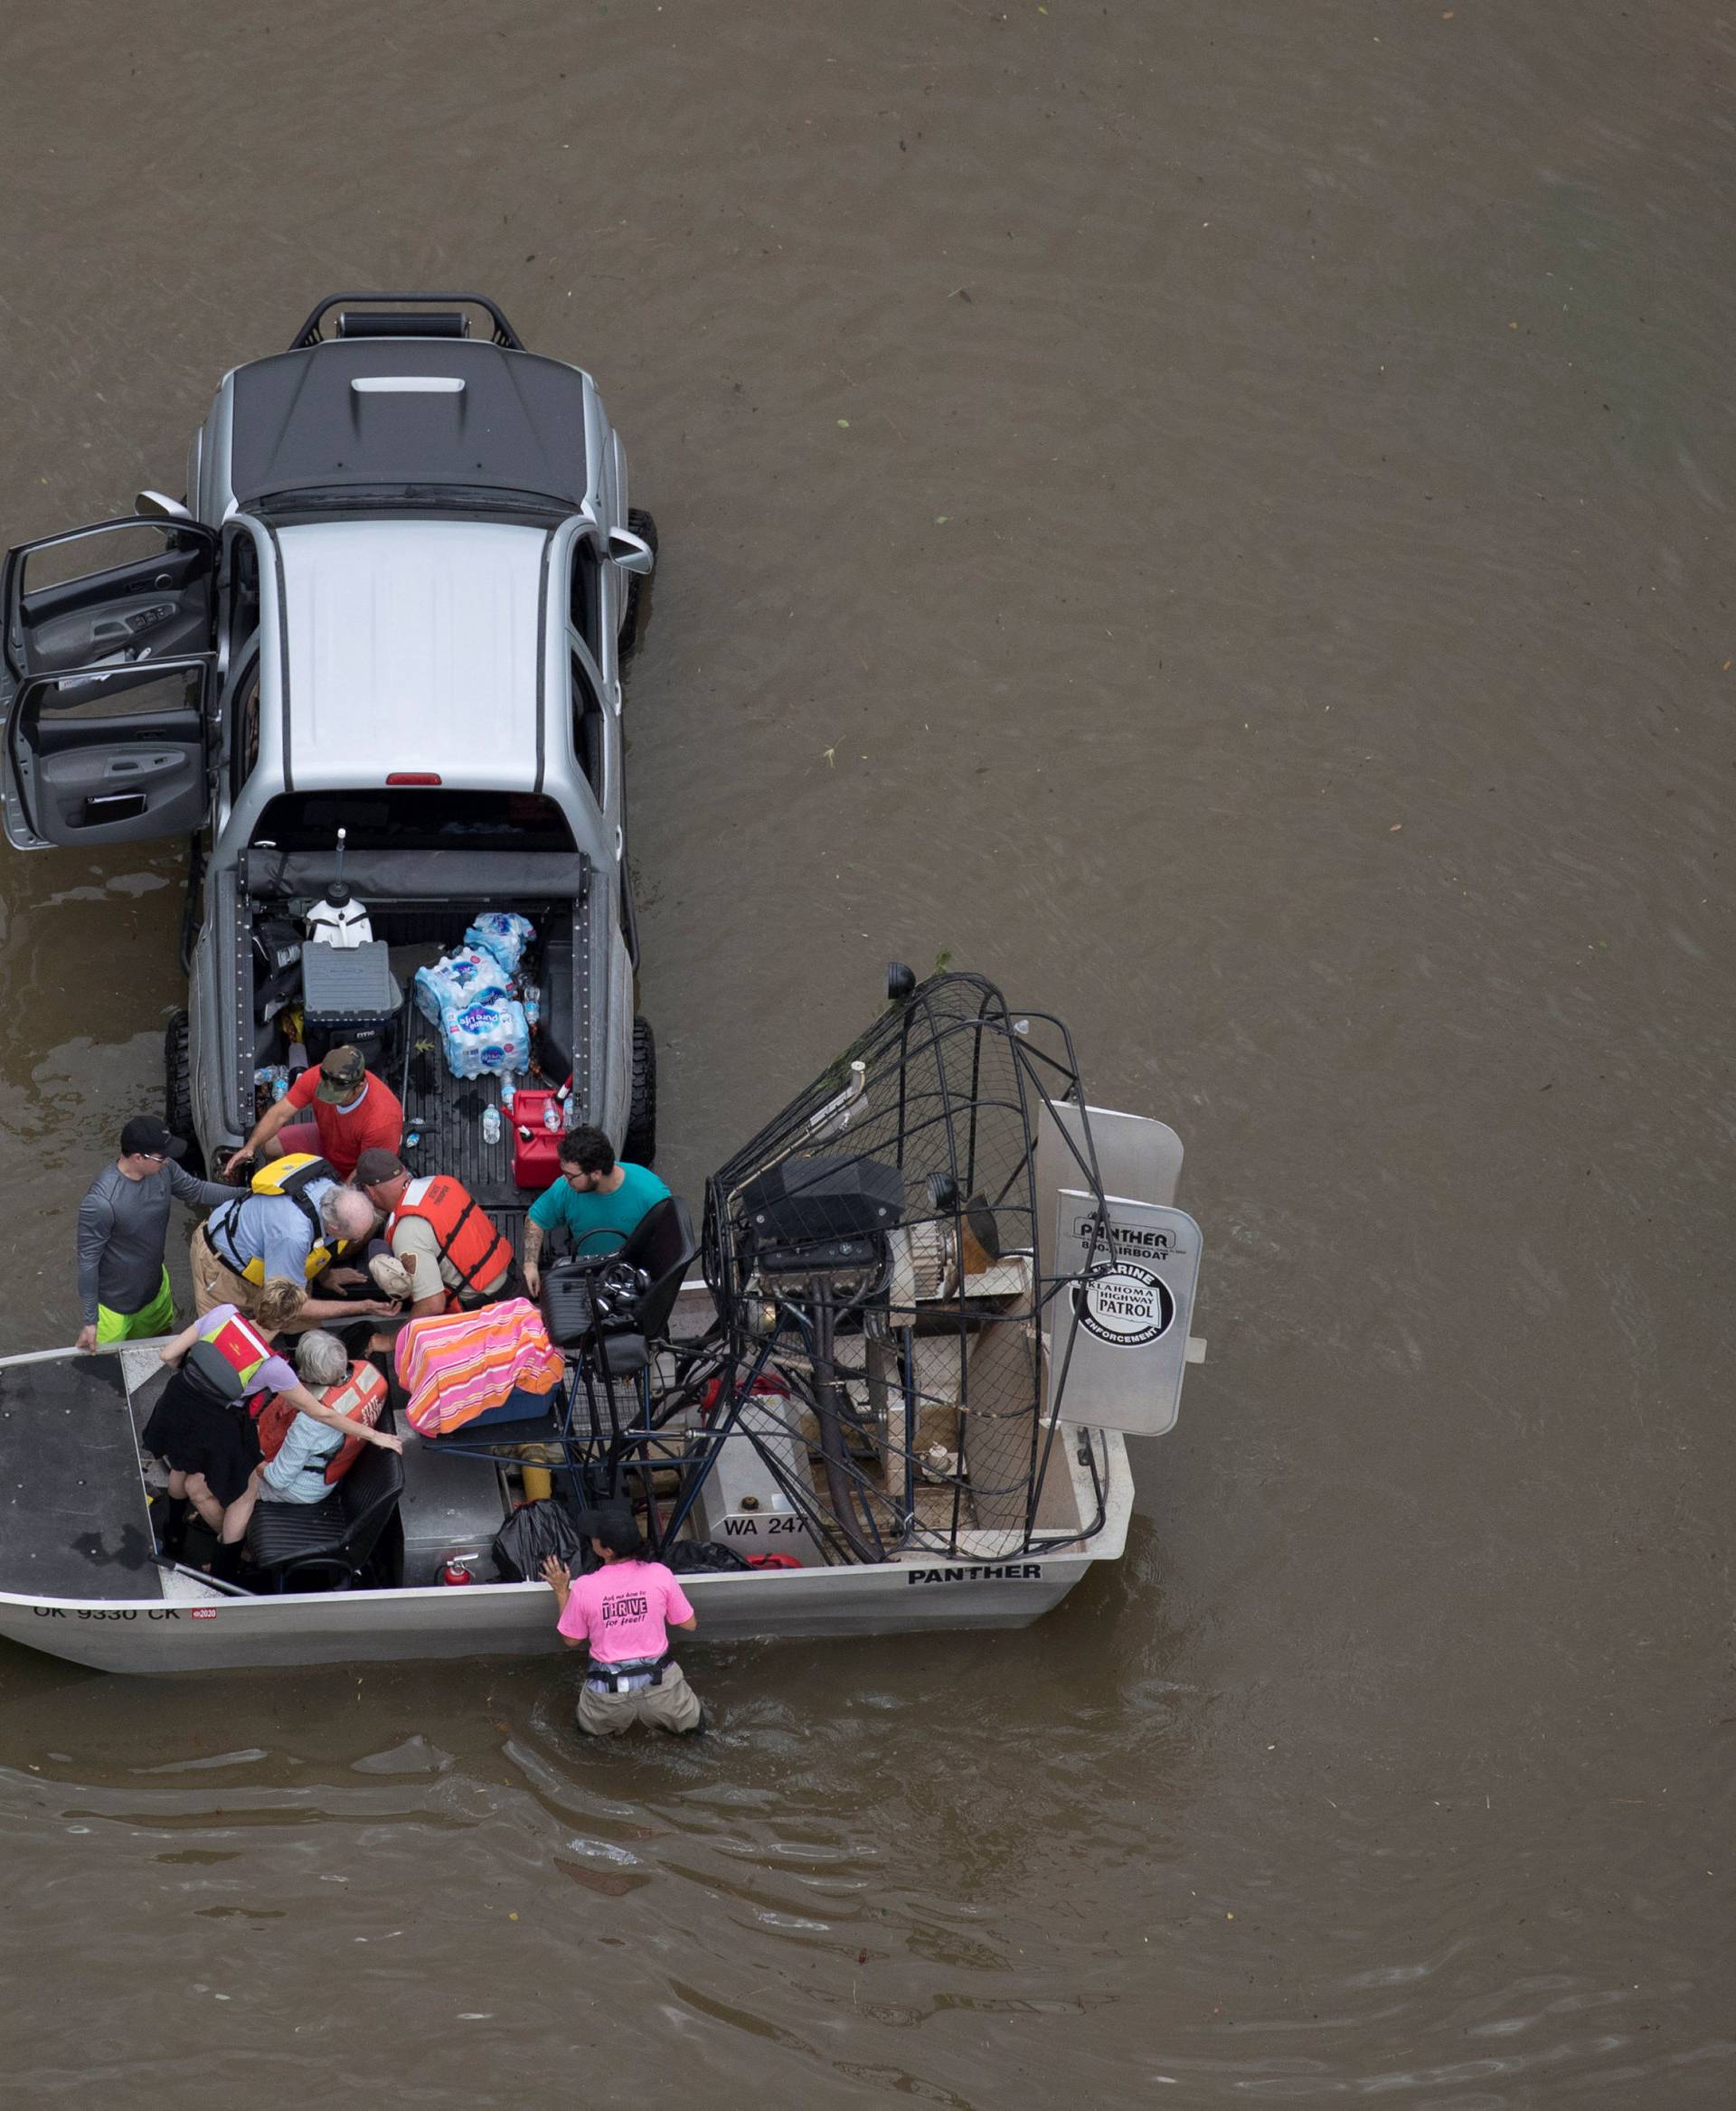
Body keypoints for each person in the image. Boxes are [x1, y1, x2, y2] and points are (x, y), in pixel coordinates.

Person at [142, 1288, 402, 1583]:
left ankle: (174, 1534)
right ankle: (227, 1571)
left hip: (178, 1401)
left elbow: (168, 1355)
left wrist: (195, 1382)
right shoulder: (273, 1368)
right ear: (289, 1321)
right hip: (215, 1422)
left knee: (180, 1465)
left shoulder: (223, 1313)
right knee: (243, 1496)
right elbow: (322, 1413)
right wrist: (374, 1435)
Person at [541, 1505, 704, 1736]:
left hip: (608, 1695)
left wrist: (561, 1591)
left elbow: (570, 1640)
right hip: (662, 1691)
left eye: (594, 1537)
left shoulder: (585, 1587)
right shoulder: (660, 1574)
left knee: (587, 1741)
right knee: (695, 1733)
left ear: (605, 1550)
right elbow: (689, 1624)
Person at [75, 1117, 232, 1353]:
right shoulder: (101, 1202)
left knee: (160, 1344)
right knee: (103, 1366)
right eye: (161, 1156)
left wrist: (250, 1193)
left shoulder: (164, 1169)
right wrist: (90, 1321)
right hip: (113, 1308)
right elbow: (87, 1262)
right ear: (138, 1157)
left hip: (154, 1287)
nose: (167, 1160)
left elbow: (197, 1190)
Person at [193, 1172, 393, 1330]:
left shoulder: (332, 1191)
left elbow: (322, 1242)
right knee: (224, 1343)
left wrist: (324, 1275)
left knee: (304, 1330)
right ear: (334, 1227)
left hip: (277, 1253)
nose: (357, 1241)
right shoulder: (293, 1236)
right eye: (354, 1238)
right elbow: (291, 1305)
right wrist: (362, 1307)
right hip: (224, 1267)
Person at [352, 1149, 517, 1318]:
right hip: (513, 1280)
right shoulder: (443, 1182)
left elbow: (432, 1305)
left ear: (370, 1191)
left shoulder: (406, 1232)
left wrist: (395, 1338)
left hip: (483, 1312)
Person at [521, 1127, 669, 1296]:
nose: (566, 1180)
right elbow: (535, 1220)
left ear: (596, 1173)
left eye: (570, 1176)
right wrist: (530, 1265)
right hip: (588, 1270)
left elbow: (668, 1244)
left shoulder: (652, 1194)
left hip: (632, 1275)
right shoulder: (566, 1188)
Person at [221, 1045, 403, 1183]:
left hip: (357, 1166)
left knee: (352, 1214)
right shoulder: (317, 1076)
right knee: (269, 1145)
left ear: (360, 1086)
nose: (330, 1099)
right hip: (327, 1141)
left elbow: (367, 1170)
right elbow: (279, 1115)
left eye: (338, 1095)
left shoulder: (382, 1119)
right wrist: (250, 1147)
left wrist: (340, 1194)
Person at [253, 1329, 374, 1504]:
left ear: (303, 1373)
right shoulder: (363, 1377)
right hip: (329, 1462)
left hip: (304, 1487)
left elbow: (277, 1479)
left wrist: (248, 1456)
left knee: (232, 1482)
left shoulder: (309, 1422)